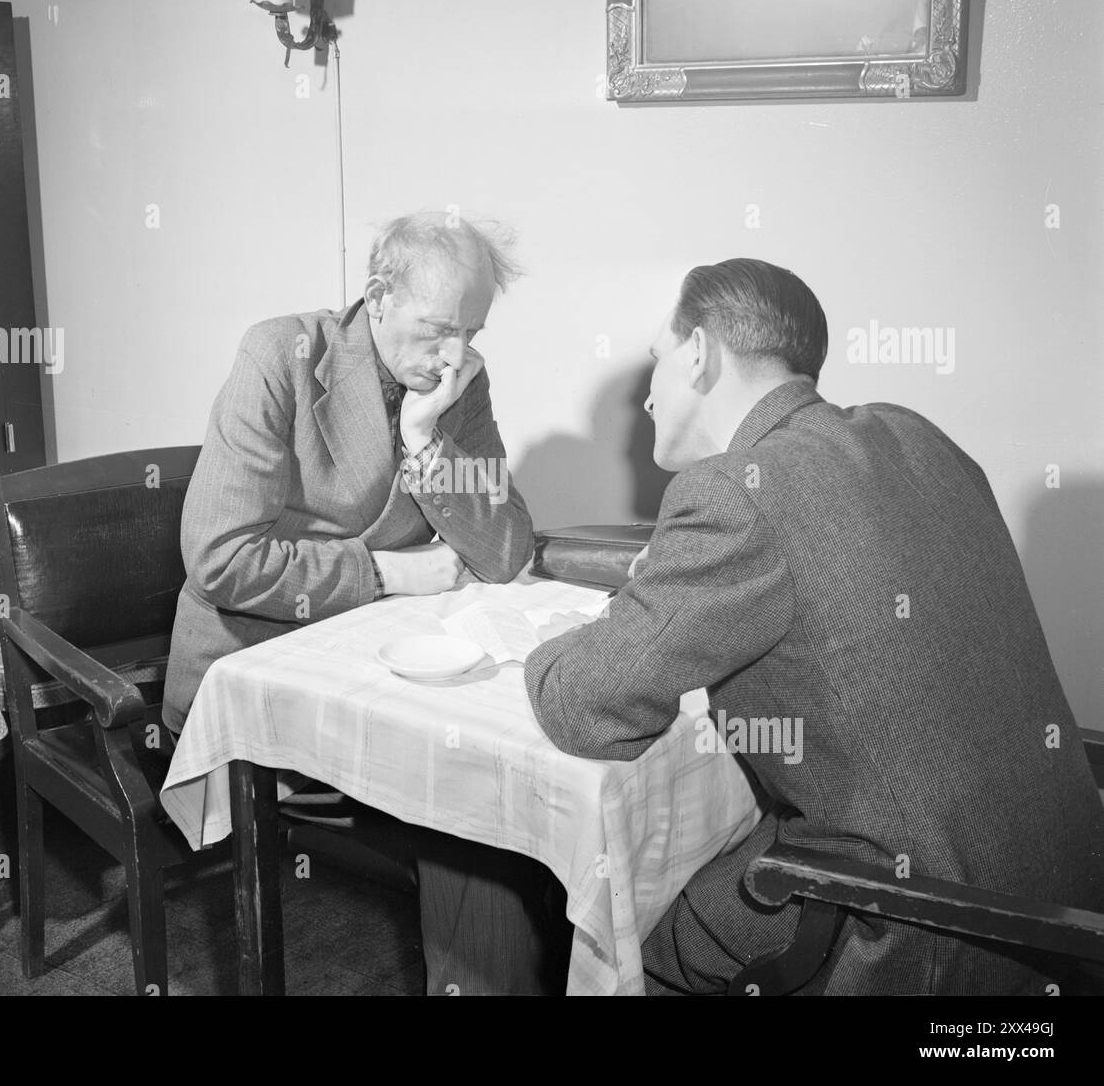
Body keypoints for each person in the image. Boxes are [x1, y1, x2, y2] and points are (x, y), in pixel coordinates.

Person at [524, 257, 1104, 995]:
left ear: (699, 352)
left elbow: (586, 706)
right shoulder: (918, 436)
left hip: (923, 930)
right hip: (1067, 892)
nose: (645, 398)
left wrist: (573, 633)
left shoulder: (736, 492)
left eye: (655, 362)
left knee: (623, 925)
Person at [164, 210, 568, 994]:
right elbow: (220, 559)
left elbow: (507, 548)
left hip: (382, 669)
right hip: (257, 666)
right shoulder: (278, 355)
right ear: (378, 296)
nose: (455, 355)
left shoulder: (457, 382)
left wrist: (426, 443)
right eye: (439, 329)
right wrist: (386, 573)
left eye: (473, 331)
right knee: (474, 802)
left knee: (502, 781)